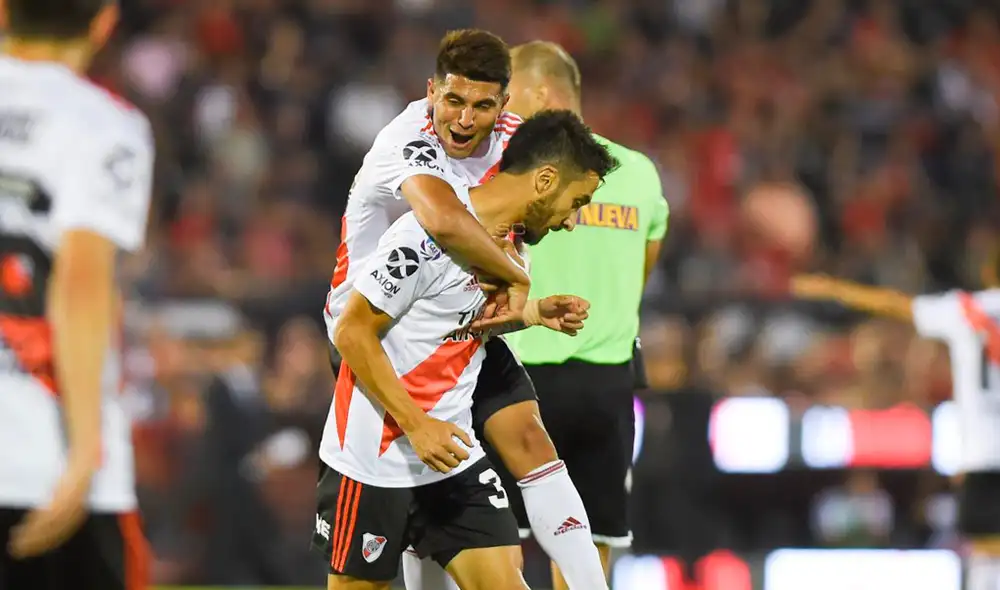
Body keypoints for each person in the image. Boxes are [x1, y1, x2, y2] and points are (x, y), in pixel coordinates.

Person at [323, 29, 609, 588]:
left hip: (455, 330)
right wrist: (518, 281)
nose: (463, 119)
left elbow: (534, 189)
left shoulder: (511, 136)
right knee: (412, 472)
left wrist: (523, 300)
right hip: (380, 336)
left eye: (481, 105)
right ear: (432, 92)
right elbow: (445, 222)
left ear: (503, 103)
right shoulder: (410, 143)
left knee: (524, 436)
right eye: (452, 101)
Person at [402, 39, 669, 590]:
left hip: (516, 369)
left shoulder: (505, 169)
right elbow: (645, 266)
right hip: (607, 382)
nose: (500, 110)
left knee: (493, 536)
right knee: (588, 543)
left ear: (542, 94)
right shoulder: (639, 173)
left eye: (510, 95)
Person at [0, 0, 155, 588]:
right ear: (103, 21)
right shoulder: (102, 124)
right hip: (43, 460)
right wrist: (85, 451)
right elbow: (82, 284)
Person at [791, 270, 1000, 590]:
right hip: (979, 461)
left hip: (978, 460)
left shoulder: (966, 308)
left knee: (982, 558)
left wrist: (836, 288)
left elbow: (898, 305)